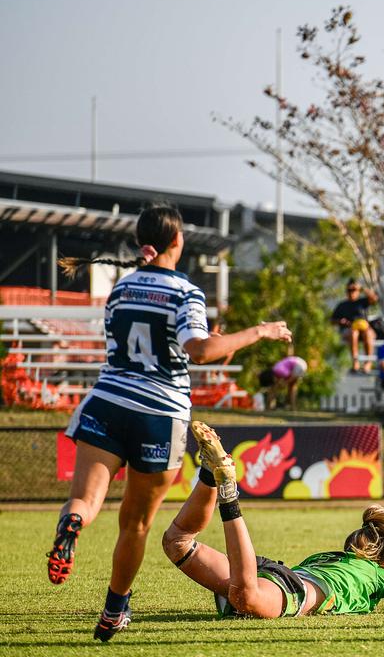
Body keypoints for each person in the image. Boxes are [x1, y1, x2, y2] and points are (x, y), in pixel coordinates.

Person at [50, 203, 293, 642]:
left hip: (106, 402)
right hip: (158, 415)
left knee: (84, 502)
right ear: (177, 241)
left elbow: (146, 346)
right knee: (135, 524)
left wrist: (220, 344)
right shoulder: (185, 291)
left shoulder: (121, 289)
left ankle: (71, 524)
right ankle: (113, 611)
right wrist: (261, 332)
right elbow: (197, 351)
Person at [162, 422, 384, 619]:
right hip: (290, 588)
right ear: (383, 557)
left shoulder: (328, 558)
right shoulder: (378, 574)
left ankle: (209, 475)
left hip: (279, 573)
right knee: (245, 597)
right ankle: (228, 495)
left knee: (177, 542)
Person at [331, 279, 378, 373]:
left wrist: (362, 288)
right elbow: (332, 320)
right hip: (349, 330)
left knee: (368, 333)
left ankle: (368, 362)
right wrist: (340, 321)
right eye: (349, 290)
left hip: (364, 329)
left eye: (354, 290)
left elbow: (374, 299)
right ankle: (355, 362)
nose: (351, 292)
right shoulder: (342, 305)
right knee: (353, 333)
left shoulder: (362, 302)